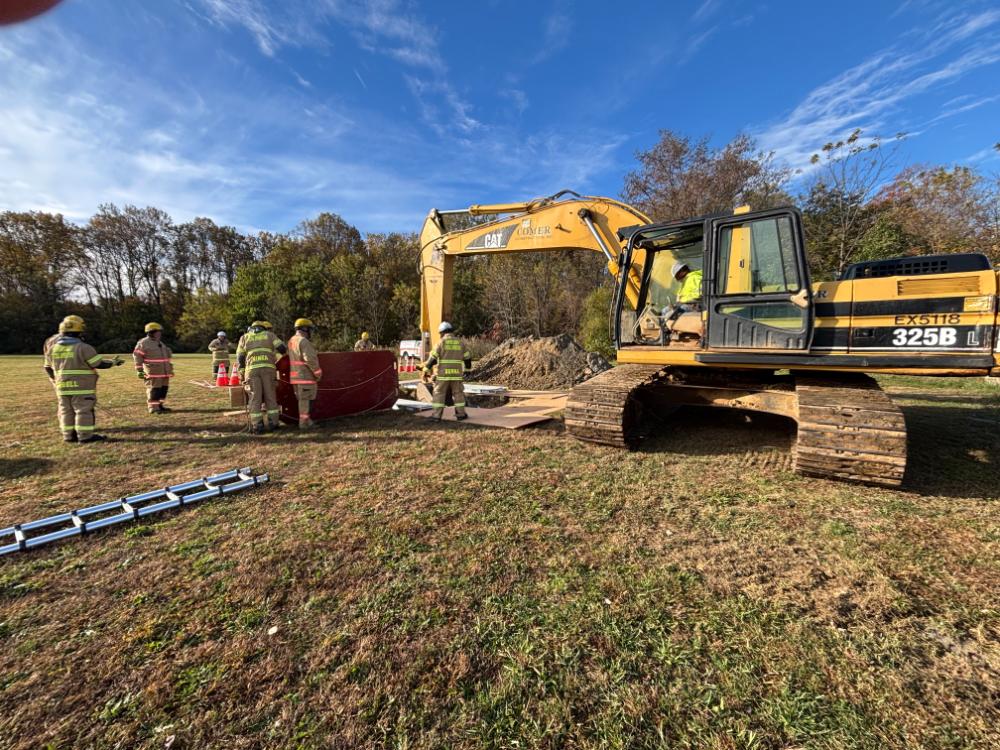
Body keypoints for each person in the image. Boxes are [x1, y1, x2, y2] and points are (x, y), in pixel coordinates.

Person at [44, 316, 123, 442]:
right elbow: (98, 364)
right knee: (83, 410)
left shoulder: (53, 348)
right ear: (79, 332)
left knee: (66, 411)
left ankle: (68, 436)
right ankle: (85, 436)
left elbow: (47, 367)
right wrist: (113, 362)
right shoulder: (83, 347)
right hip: (81, 386)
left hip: (62, 386)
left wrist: (56, 380)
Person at [237, 320, 287, 434]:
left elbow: (240, 357)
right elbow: (282, 348)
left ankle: (257, 425)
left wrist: (241, 372)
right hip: (268, 371)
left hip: (252, 371)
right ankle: (273, 423)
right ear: (263, 328)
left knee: (255, 398)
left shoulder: (244, 338)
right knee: (270, 396)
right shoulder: (269, 335)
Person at [420, 321, 472, 421]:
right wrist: (468, 370)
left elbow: (433, 359)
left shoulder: (440, 343)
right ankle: (461, 415)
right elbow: (468, 358)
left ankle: (436, 416)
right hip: (457, 374)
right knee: (458, 394)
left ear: (442, 333)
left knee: (439, 393)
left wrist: (426, 369)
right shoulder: (460, 343)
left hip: (443, 375)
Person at [288, 318, 323, 429]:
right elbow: (310, 360)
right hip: (305, 377)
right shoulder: (303, 341)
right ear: (305, 328)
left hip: (295, 377)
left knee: (302, 401)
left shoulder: (291, 340)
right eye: (310, 329)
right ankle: (304, 424)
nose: (310, 332)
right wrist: (318, 373)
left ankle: (307, 422)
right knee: (305, 402)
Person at [133, 322, 174, 414]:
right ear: (151, 332)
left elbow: (167, 356)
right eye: (157, 331)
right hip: (153, 372)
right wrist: (139, 370)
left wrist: (170, 368)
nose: (159, 333)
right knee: (154, 389)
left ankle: (160, 406)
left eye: (160, 332)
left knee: (163, 389)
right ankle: (153, 408)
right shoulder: (143, 343)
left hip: (164, 372)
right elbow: (137, 356)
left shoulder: (160, 343)